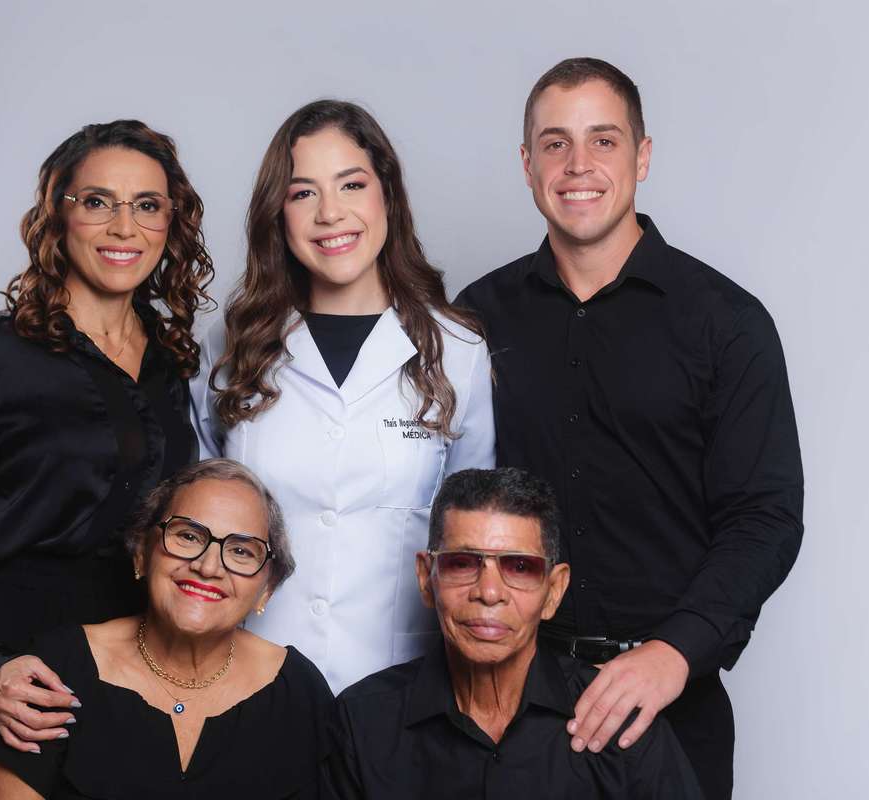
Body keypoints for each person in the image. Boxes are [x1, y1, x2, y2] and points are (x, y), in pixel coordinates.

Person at [455, 58, 804, 799]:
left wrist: (674, 653)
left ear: (642, 156)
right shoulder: (477, 318)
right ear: (527, 164)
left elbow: (765, 517)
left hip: (670, 702)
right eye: (555, 143)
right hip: (511, 695)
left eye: (604, 141)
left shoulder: (727, 323)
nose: (577, 165)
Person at [0, 120, 215, 799]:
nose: (123, 227)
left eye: (147, 205)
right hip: (17, 673)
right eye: (97, 201)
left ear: (172, 222)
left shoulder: (173, 361)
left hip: (137, 668)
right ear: (58, 215)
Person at [192, 100, 495, 692]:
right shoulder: (231, 345)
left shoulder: (458, 352)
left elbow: (472, 535)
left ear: (388, 195)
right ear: (278, 212)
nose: (330, 213)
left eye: (352, 185)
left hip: (401, 683)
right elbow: (195, 521)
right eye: (303, 193)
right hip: (244, 676)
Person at [325, 467, 702, 799]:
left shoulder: (622, 726)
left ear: (554, 591)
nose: (489, 593)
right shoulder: (363, 724)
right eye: (462, 563)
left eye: (520, 567)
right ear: (427, 578)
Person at [0, 458, 334, 799]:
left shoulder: (298, 692)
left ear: (267, 588)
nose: (208, 567)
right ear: (142, 552)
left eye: (241, 551)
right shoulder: (56, 669)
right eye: (188, 536)